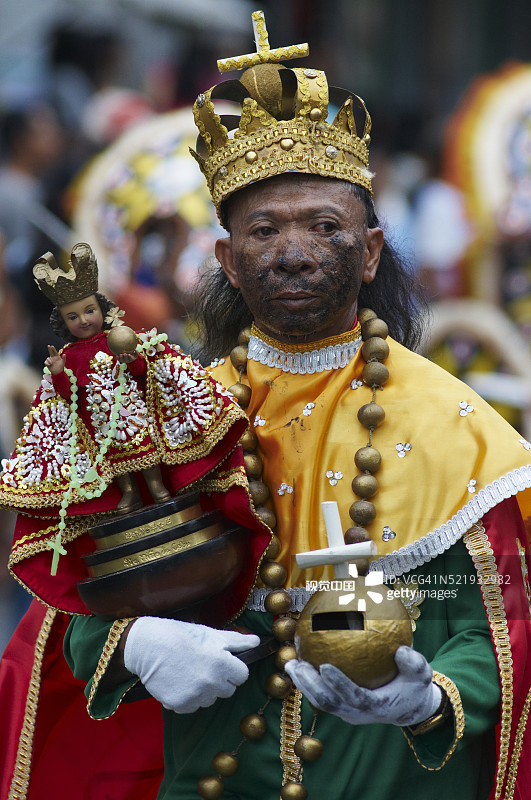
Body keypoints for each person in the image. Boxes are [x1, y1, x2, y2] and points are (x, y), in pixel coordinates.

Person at [4, 11, 531, 800]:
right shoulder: (171, 419)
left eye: (324, 226)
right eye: (263, 230)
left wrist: (429, 699)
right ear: (226, 259)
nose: (292, 252)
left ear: (371, 252)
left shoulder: (454, 425)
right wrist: (133, 642)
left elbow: (493, 632)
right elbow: (74, 602)